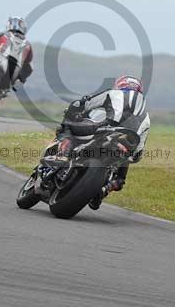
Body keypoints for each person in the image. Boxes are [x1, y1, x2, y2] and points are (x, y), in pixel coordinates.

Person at [56, 75, 150, 210]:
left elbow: (86, 104)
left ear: (120, 85)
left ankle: (64, 153)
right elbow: (139, 151)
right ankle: (104, 190)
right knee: (120, 179)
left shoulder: (113, 93)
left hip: (106, 130)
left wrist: (75, 111)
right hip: (125, 146)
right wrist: (131, 156)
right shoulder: (146, 115)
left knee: (67, 126)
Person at [0, 16, 34, 85]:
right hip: (13, 74)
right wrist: (21, 79)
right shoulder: (27, 44)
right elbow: (29, 67)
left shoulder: (4, 34)